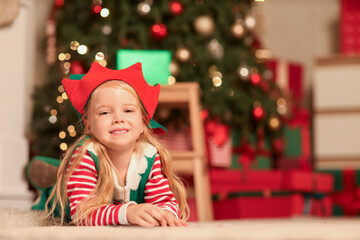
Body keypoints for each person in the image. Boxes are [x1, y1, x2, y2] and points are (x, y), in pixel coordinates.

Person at [31, 62, 188, 227]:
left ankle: (59, 170)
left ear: (143, 122)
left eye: (128, 110)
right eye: (105, 112)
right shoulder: (86, 154)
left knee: (78, 175)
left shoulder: (148, 156)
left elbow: (164, 200)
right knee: (60, 188)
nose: (118, 119)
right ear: (88, 124)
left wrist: (165, 215)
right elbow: (82, 214)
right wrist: (126, 213)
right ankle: (57, 178)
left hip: (86, 178)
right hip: (66, 197)